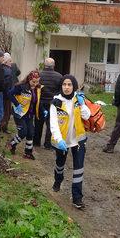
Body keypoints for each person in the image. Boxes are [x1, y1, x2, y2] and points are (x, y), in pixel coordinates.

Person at [50, 75, 91, 209]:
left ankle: (77, 198)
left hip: (78, 141)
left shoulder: (78, 100)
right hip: (62, 141)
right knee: (60, 164)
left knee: (78, 169)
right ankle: (58, 180)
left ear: (74, 86)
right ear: (61, 86)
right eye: (64, 84)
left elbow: (87, 116)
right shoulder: (56, 101)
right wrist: (59, 139)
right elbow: (53, 124)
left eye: (69, 85)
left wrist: (82, 104)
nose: (66, 87)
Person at [7, 70, 41, 160]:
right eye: (33, 82)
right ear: (29, 79)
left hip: (29, 114)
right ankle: (12, 144)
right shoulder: (21, 87)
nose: (35, 84)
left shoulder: (37, 89)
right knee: (23, 133)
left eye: (37, 81)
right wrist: (17, 104)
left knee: (30, 133)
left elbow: (37, 102)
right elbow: (10, 94)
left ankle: (28, 153)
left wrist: (43, 110)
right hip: (20, 114)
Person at [35, 57, 62, 150]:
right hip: (52, 103)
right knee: (51, 124)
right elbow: (60, 91)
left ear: (44, 65)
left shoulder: (39, 75)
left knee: (38, 122)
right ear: (53, 66)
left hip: (40, 102)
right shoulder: (59, 76)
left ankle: (36, 141)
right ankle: (47, 143)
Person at [0, 53, 14, 133]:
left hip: (0, 94)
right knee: (7, 112)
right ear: (7, 61)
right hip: (6, 95)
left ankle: (0, 127)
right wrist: (9, 94)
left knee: (1, 111)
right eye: (10, 61)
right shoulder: (8, 70)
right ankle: (3, 127)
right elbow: (7, 84)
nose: (11, 62)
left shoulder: (0, 68)